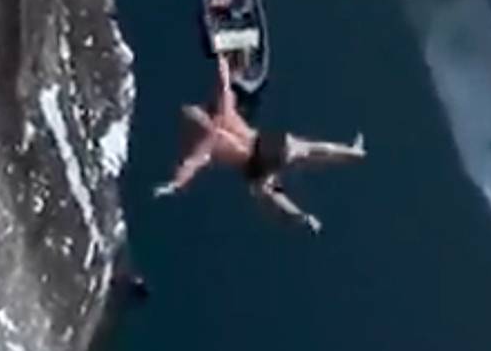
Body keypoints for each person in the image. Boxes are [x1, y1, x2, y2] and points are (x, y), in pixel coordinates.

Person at [154, 54, 365, 233]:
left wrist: (174, 185)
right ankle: (350, 154)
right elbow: (224, 82)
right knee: (304, 154)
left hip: (255, 160)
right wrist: (223, 59)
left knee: (273, 187)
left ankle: (303, 214)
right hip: (259, 150)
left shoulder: (209, 139)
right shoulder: (221, 117)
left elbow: (190, 165)